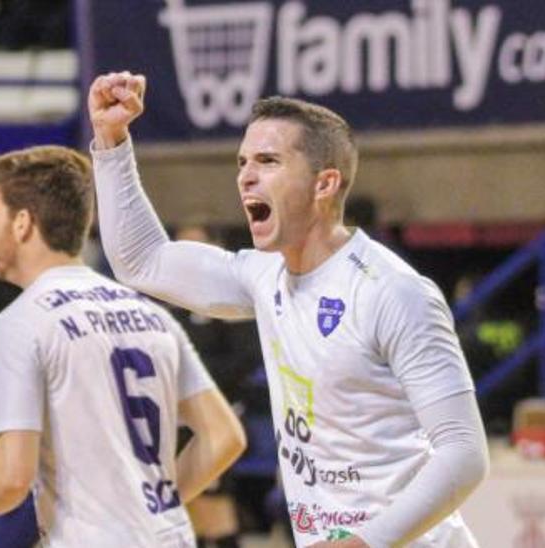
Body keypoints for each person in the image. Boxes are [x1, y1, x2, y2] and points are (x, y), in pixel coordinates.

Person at [89, 73, 488, 547]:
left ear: (325, 184)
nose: (246, 176)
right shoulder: (263, 276)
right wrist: (112, 140)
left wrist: (361, 543)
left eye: (268, 161)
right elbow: (141, 260)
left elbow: (464, 453)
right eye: (242, 162)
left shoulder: (394, 292)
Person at [0, 145, 247, 546]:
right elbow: (223, 436)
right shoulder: (150, 313)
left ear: (21, 224)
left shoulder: (19, 323)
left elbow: (12, 478)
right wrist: (159, 506)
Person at [170, 222, 262, 548]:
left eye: (196, 250)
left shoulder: (230, 301)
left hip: (217, 420)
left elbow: (246, 358)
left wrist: (196, 382)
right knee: (180, 510)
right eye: (180, 250)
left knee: (215, 510)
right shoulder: (168, 302)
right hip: (173, 423)